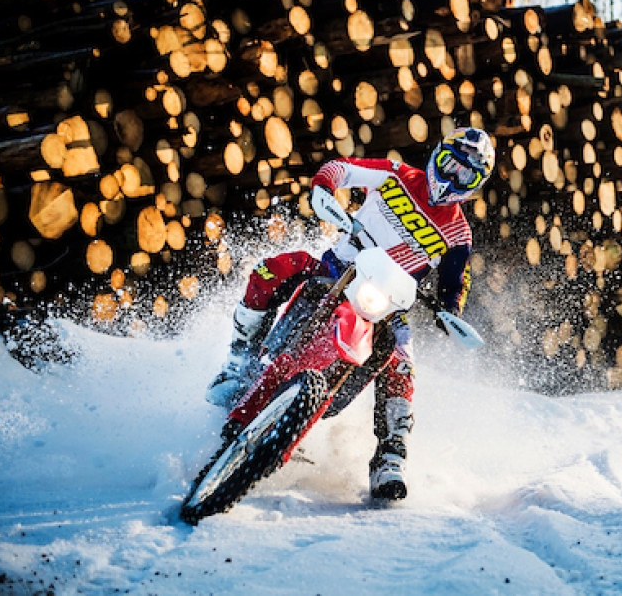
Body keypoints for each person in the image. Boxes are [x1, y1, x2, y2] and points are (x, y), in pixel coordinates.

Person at [205, 127, 495, 500]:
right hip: (336, 270)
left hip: (386, 306)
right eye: (450, 165)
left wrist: (450, 310)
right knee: (272, 269)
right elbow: (342, 167)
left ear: (475, 185)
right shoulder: (395, 174)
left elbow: (455, 282)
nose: (453, 178)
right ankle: (237, 363)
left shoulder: (458, 234)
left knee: (402, 361)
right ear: (437, 155)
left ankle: (391, 457)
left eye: (465, 175)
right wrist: (324, 187)